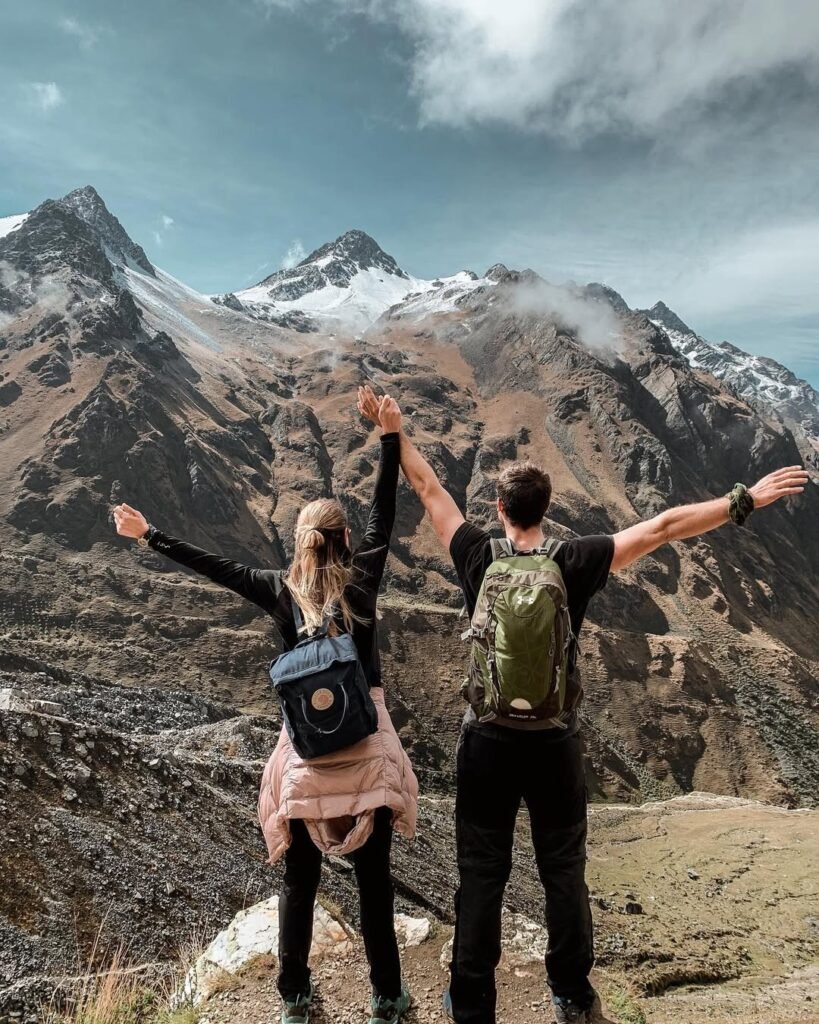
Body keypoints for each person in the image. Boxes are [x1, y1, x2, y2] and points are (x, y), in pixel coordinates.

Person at [357, 384, 808, 1024]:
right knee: (563, 873)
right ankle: (570, 993)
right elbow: (664, 526)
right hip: (553, 745)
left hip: (484, 744)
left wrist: (393, 432)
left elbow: (430, 489)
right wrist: (744, 500)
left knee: (480, 875)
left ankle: (471, 1000)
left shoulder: (476, 555)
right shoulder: (576, 560)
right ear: (547, 509)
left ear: (499, 507)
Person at [112, 395, 417, 1024]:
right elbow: (386, 513)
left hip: (304, 753)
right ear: (343, 540)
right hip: (367, 747)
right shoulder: (362, 580)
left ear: (302, 543)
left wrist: (149, 536)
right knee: (373, 883)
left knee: (299, 881)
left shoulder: (280, 589)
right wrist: (389, 437)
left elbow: (214, 567)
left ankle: (294, 1000)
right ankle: (387, 998)